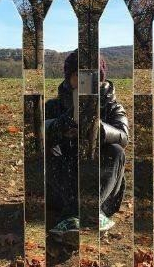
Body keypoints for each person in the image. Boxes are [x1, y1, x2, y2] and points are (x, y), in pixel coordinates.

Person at [45, 50, 128, 238]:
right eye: (78, 75)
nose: (85, 82)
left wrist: (100, 130)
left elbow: (123, 136)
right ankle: (80, 214)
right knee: (46, 151)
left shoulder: (113, 107)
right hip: (61, 187)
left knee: (116, 151)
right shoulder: (52, 106)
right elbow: (36, 135)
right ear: (69, 78)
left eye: (92, 76)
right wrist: (60, 126)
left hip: (100, 186)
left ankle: (81, 214)